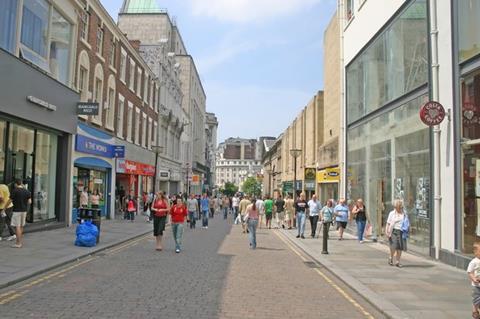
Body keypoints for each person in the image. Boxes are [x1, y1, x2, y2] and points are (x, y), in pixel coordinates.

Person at [385, 199, 409, 267]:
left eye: (399, 207)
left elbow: (406, 222)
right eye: (396, 207)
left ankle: (398, 261)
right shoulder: (392, 213)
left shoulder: (404, 213)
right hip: (393, 231)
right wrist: (387, 231)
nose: (398, 208)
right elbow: (388, 223)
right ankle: (391, 257)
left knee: (400, 247)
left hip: (401, 232)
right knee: (393, 246)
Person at [10, 179, 31, 248]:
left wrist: (4, 208)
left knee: (17, 226)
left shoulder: (15, 191)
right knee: (21, 226)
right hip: (24, 211)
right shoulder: (27, 191)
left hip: (17, 211)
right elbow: (30, 202)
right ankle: (18, 242)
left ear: (16, 184)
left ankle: (18, 243)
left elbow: (10, 200)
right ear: (21, 183)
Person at [468, 242, 480, 319]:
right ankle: (475, 311)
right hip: (476, 286)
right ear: (476, 252)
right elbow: (470, 272)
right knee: (476, 300)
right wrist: (474, 279)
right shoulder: (474, 262)